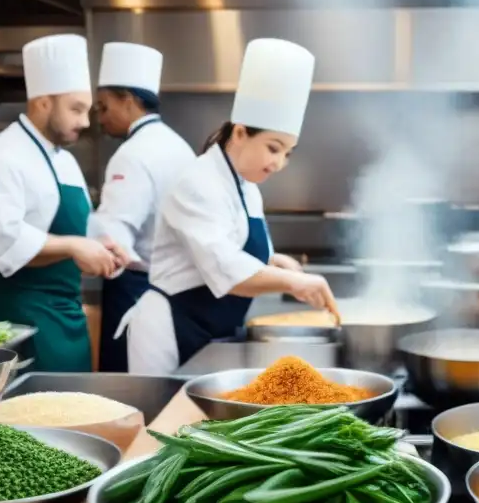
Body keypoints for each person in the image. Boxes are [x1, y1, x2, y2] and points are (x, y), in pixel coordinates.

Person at [120, 38, 339, 375]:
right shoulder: (196, 182)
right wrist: (295, 282)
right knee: (162, 420)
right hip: (172, 330)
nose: (279, 163)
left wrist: (276, 261)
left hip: (215, 329)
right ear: (239, 133)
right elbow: (225, 266)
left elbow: (232, 245)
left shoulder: (246, 184)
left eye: (288, 153)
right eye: (273, 147)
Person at [0, 34, 128, 372]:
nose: (85, 122)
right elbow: (1, 240)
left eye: (87, 110)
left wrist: (99, 246)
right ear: (42, 103)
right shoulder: (0, 159)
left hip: (66, 317)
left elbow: (74, 230)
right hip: (20, 321)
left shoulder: (63, 160)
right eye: (76, 109)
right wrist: (72, 246)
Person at [88, 42, 196, 372]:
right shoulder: (180, 146)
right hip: (179, 290)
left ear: (129, 100)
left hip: (134, 287)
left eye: (104, 107)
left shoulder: (131, 154)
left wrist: (83, 237)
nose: (100, 119)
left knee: (124, 391)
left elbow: (113, 235)